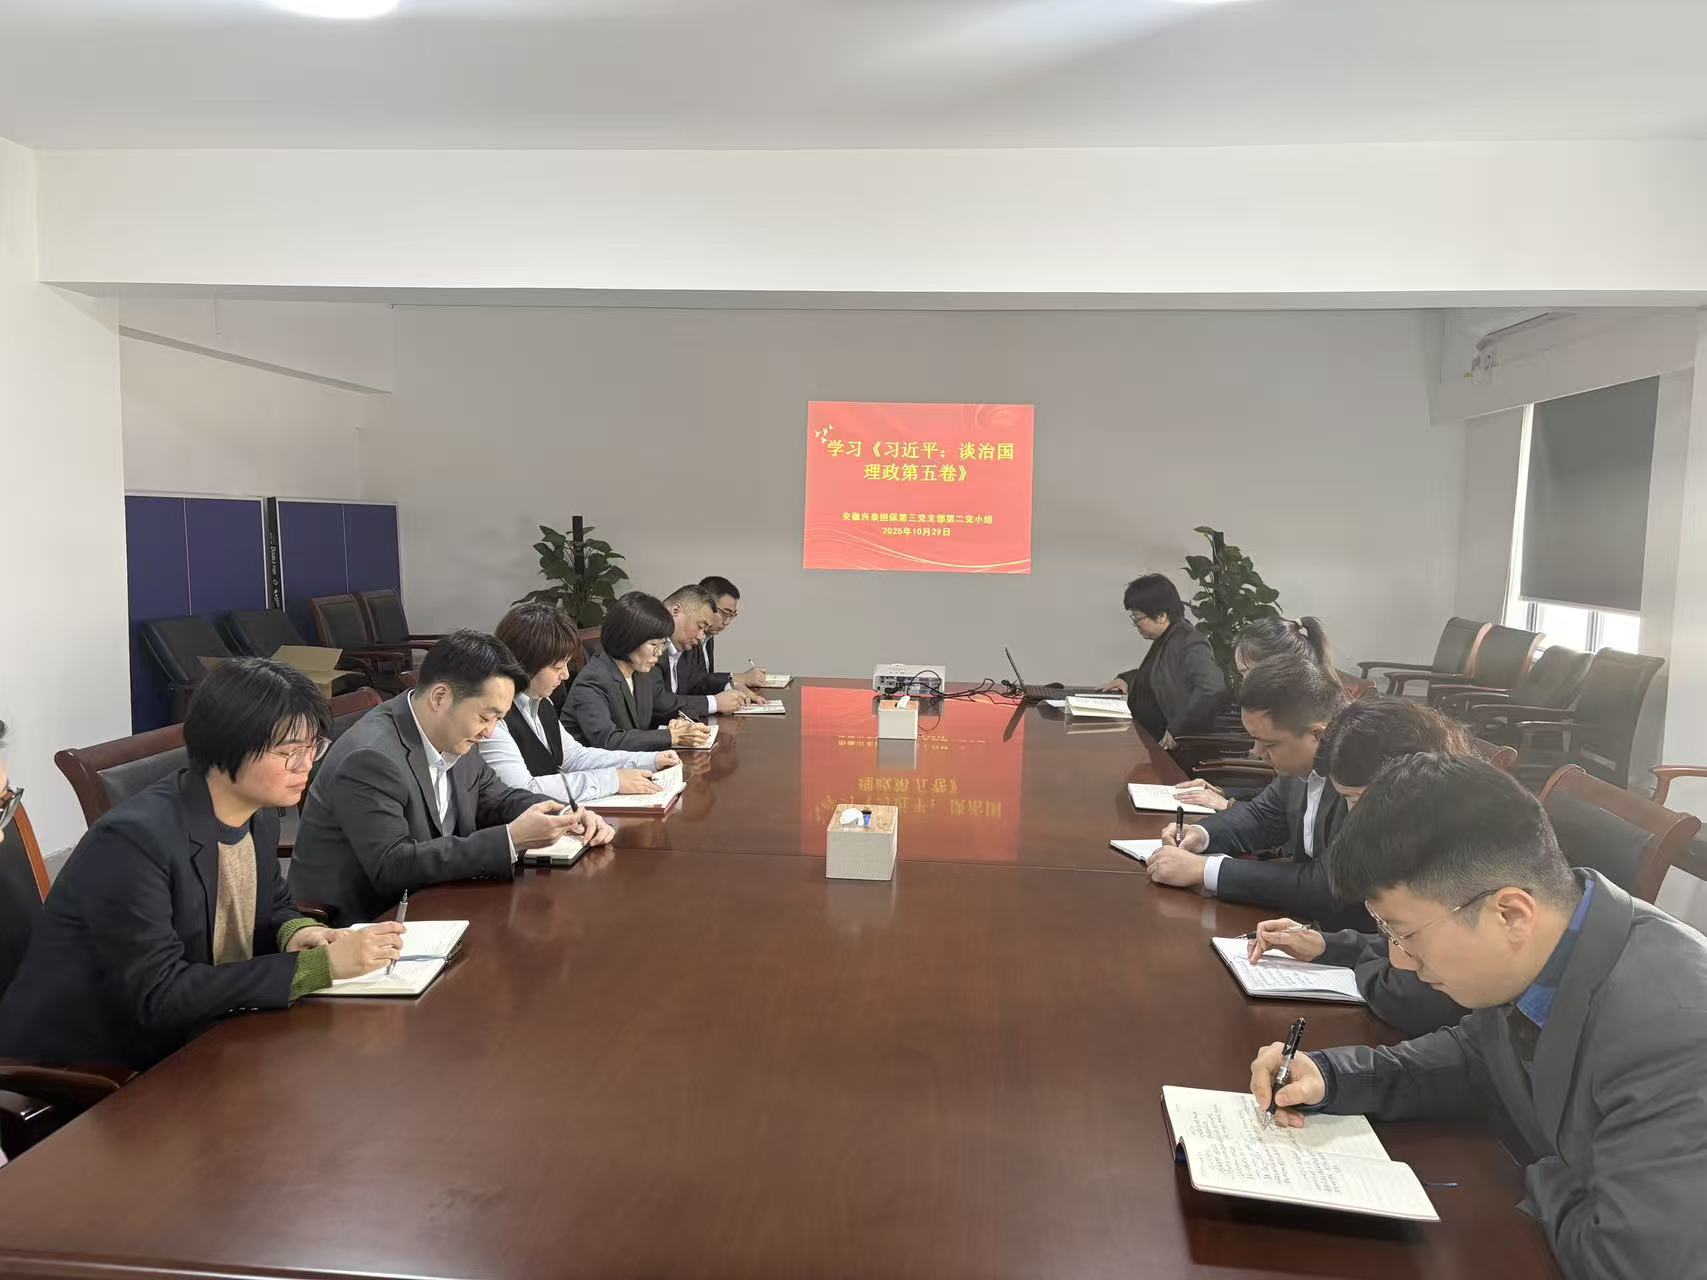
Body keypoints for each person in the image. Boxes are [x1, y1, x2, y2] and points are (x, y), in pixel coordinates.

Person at [1249, 754, 1707, 1280]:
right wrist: (1331, 1076)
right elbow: (1479, 1056)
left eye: (1406, 934)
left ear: (1510, 914)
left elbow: (1630, 1265)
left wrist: (1545, 1173)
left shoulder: (1676, 1033)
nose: (1399, 960)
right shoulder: (1549, 943)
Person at [0, 661, 405, 1072]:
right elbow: (159, 994)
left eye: (312, 748)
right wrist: (319, 968)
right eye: (288, 752)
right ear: (228, 745)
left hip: (208, 1031)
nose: (306, 765)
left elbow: (275, 905)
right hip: (92, 1068)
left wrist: (301, 933)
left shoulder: (258, 815)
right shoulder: (132, 842)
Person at [290, 630, 613, 927]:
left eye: (498, 720)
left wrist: (563, 813)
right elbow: (392, 866)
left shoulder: (453, 731)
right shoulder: (371, 757)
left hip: (437, 902)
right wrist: (511, 840)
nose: (489, 733)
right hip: (364, 925)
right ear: (440, 697)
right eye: (485, 717)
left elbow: (497, 797)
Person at [1246, 698, 1475, 1035]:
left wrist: (1362, 966)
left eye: (1356, 798)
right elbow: (1404, 949)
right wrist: (1327, 945)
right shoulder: (1423, 829)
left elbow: (1411, 998)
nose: (1352, 816)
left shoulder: (1452, 859)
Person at [1147, 655, 1369, 930]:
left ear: (1318, 736)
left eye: (1269, 744)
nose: (1257, 752)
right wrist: (1202, 835)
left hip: (1353, 940)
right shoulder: (1300, 766)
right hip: (1305, 926)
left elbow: (1325, 885)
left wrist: (1204, 871)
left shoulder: (1359, 780)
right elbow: (1261, 815)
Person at [481, 602, 681, 803]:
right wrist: (613, 781)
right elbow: (522, 788)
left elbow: (574, 756)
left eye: (566, 664)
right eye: (557, 667)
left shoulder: (542, 702)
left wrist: (650, 760)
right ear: (524, 665)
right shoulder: (492, 718)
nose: (565, 675)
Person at [566, 592, 717, 752]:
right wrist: (672, 736)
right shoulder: (593, 680)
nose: (660, 652)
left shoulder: (642, 672)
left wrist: (683, 720)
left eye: (663, 644)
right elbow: (608, 740)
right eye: (654, 644)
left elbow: (673, 705)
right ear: (628, 639)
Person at [1099, 573, 1226, 748]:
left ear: (1161, 616)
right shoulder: (1169, 637)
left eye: (1137, 618)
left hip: (1176, 748)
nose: (1135, 624)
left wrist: (1177, 729)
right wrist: (1125, 679)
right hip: (1148, 739)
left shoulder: (1189, 640)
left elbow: (1212, 688)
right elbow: (1161, 673)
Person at [657, 583, 757, 711]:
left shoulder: (680, 642)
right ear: (676, 610)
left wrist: (729, 686)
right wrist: (715, 703)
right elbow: (658, 703)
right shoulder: (651, 644)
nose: (701, 637)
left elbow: (693, 682)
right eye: (700, 626)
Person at [678, 574, 768, 694]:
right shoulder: (688, 636)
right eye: (725, 614)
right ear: (706, 605)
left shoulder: (709, 636)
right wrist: (739, 678)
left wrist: (733, 686)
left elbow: (704, 683)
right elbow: (692, 682)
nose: (727, 622)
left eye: (731, 615)